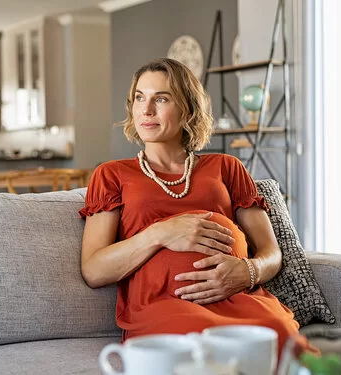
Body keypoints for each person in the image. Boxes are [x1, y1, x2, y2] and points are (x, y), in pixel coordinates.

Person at [78, 57, 302, 354]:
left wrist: (247, 271)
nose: (146, 110)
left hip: (239, 297)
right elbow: (94, 270)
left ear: (186, 107)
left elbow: (271, 253)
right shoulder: (112, 174)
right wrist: (161, 232)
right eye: (139, 98)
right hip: (165, 304)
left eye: (161, 98)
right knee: (203, 351)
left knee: (285, 343)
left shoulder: (227, 167)